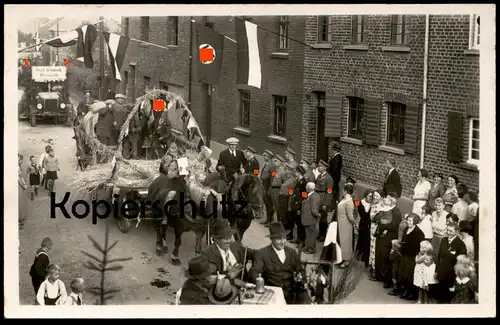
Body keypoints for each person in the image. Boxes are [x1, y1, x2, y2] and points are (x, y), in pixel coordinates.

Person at [249, 222, 311, 304]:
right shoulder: (262, 253)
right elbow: (255, 272)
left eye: (284, 238)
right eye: (279, 239)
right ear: (271, 239)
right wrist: (260, 282)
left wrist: (300, 277)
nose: (283, 242)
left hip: (293, 292)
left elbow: (300, 270)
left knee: (306, 305)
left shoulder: (291, 252)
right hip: (273, 293)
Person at [148, 157, 185, 264]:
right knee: (169, 196)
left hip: (178, 191)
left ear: (178, 172)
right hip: (170, 190)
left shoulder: (182, 183)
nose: (169, 171)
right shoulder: (165, 180)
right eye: (170, 168)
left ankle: (175, 253)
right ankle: (159, 238)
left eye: (173, 169)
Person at [373, 196, 402, 288]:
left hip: (388, 237)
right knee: (379, 255)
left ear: (392, 202)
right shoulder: (384, 208)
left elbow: (394, 225)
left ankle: (387, 280)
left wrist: (382, 225)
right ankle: (379, 275)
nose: (385, 199)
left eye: (388, 199)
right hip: (381, 236)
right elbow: (376, 218)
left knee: (386, 258)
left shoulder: (396, 212)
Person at [435, 224, 467, 303]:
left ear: (456, 232)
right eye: (447, 230)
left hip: (451, 274)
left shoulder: (460, 244)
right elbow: (439, 256)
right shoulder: (443, 240)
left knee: (449, 294)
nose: (448, 232)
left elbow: (462, 261)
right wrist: (436, 270)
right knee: (441, 294)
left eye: (450, 231)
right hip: (442, 271)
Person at [398, 213, 425, 301]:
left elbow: (419, 247)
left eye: (410, 221)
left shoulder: (419, 233)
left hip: (412, 256)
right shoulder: (406, 229)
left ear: (415, 222)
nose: (408, 222)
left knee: (409, 275)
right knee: (403, 273)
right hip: (404, 255)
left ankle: (411, 293)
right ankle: (404, 290)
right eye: (407, 220)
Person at [336, 183, 357, 268]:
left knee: (346, 242)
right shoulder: (344, 199)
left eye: (343, 190)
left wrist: (354, 224)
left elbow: (350, 216)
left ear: (345, 191)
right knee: (341, 241)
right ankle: (342, 259)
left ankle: (347, 261)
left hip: (346, 224)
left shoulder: (349, 202)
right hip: (341, 222)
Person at [315, 160, 334, 242]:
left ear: (325, 168)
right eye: (318, 166)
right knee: (319, 217)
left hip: (323, 199)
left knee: (323, 218)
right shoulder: (319, 176)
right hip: (318, 198)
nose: (318, 167)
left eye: (320, 166)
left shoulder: (329, 178)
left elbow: (329, 192)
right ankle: (320, 233)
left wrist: (326, 203)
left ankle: (323, 235)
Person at [301, 182, 321, 254]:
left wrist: (318, 215)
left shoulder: (314, 197)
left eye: (306, 187)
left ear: (309, 188)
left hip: (311, 219)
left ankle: (311, 249)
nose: (305, 188)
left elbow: (314, 209)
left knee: (311, 235)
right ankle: (307, 247)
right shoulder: (311, 195)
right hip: (308, 219)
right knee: (308, 234)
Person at [368, 189, 384, 279]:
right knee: (372, 246)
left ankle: (375, 269)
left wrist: (373, 218)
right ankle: (372, 266)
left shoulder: (381, 206)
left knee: (374, 247)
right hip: (372, 227)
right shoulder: (374, 204)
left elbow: (377, 218)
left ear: (381, 197)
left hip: (376, 228)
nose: (375, 197)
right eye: (374, 195)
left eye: (377, 196)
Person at [279, 163, 297, 240]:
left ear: (290, 171)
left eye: (287, 170)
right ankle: (286, 232)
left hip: (286, 200)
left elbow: (291, 193)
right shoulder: (287, 179)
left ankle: (289, 234)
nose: (285, 171)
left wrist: (289, 205)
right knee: (284, 217)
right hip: (283, 199)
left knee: (288, 218)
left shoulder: (292, 181)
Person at [356, 190, 373, 267]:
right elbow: (362, 214)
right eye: (369, 196)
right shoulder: (361, 203)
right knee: (361, 239)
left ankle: (364, 257)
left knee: (367, 240)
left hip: (369, 226)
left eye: (371, 196)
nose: (370, 198)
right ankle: (358, 253)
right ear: (365, 196)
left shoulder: (373, 205)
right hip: (362, 224)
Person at [291, 165, 308, 246]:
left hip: (299, 206)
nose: (295, 173)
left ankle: (302, 241)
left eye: (296, 172)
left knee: (301, 225)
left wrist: (300, 208)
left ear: (299, 173)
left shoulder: (303, 183)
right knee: (297, 223)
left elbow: (304, 197)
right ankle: (298, 239)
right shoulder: (298, 181)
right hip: (296, 204)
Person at [259, 149, 276, 226]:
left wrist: (270, 188)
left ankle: (270, 221)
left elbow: (273, 177)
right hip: (264, 185)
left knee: (269, 205)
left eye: (265, 155)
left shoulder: (272, 165)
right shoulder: (266, 164)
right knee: (266, 204)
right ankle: (267, 219)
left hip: (268, 185)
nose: (264, 156)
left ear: (269, 157)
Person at [269, 154, 286, 224]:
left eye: (277, 161)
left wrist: (281, 192)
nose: (275, 162)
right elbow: (272, 179)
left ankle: (280, 222)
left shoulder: (282, 171)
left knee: (278, 207)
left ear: (280, 162)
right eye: (275, 160)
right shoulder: (275, 170)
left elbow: (283, 182)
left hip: (277, 190)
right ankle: (277, 222)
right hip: (273, 189)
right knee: (275, 206)